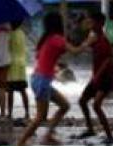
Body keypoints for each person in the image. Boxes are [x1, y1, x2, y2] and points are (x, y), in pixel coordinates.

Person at [16, 12, 85, 146]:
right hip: (42, 81)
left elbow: (41, 58)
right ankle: (21, 142)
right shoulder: (57, 39)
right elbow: (75, 51)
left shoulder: (46, 39)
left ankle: (48, 135)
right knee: (40, 116)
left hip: (38, 79)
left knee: (65, 106)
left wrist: (54, 69)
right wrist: (89, 41)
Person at [72, 11, 113, 144]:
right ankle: (90, 128)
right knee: (82, 101)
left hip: (106, 78)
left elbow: (108, 60)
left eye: (92, 22)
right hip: (96, 77)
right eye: (89, 22)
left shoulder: (103, 40)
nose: (89, 24)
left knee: (96, 105)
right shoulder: (94, 38)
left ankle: (110, 136)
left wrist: (97, 76)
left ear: (100, 23)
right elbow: (82, 47)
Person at [6, 20, 30, 122]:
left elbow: (7, 48)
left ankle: (10, 113)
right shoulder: (22, 33)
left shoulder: (10, 34)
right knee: (23, 90)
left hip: (12, 65)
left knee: (10, 91)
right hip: (22, 65)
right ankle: (27, 112)